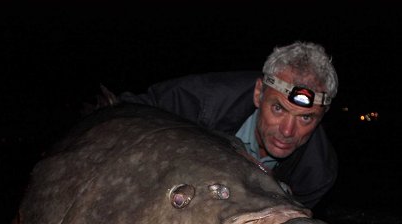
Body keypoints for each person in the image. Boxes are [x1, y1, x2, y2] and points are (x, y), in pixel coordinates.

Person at [118, 41, 339, 209]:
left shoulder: (317, 174)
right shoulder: (205, 101)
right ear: (258, 93)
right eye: (278, 109)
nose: (287, 131)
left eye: (306, 118)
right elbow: (125, 112)